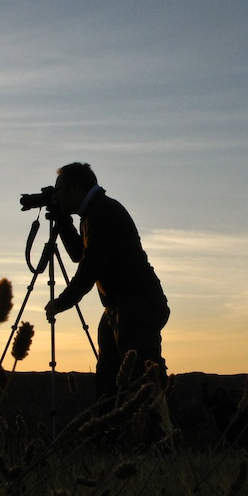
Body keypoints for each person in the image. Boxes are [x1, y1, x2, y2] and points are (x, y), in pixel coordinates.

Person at [44, 163, 170, 403]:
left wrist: (61, 303)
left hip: (135, 305)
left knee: (144, 380)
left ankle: (165, 435)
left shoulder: (103, 212)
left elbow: (90, 267)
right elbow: (79, 254)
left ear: (76, 188)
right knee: (109, 383)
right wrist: (63, 222)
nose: (56, 196)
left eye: (60, 191)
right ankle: (114, 436)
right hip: (119, 307)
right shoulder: (93, 213)